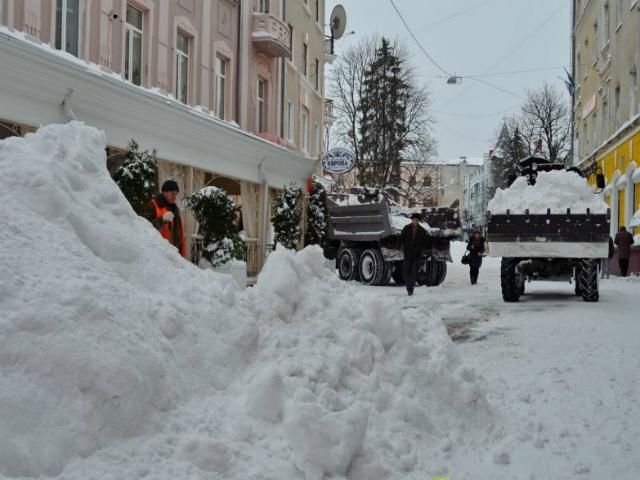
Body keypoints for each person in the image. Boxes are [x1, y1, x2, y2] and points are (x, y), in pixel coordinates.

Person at [144, 180, 186, 257]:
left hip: (174, 254)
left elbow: (178, 233)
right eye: (172, 193)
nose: (175, 197)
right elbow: (144, 227)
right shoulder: (153, 204)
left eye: (176, 194)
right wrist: (162, 220)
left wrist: (180, 254)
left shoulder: (175, 208)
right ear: (164, 192)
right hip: (159, 254)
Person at [400, 213, 428, 296]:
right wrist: (398, 247)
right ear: (412, 220)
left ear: (419, 221)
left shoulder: (422, 230)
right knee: (406, 272)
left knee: (413, 272)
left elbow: (425, 242)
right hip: (407, 254)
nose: (415, 221)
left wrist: (422, 250)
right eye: (414, 219)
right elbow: (401, 238)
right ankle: (408, 286)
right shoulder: (406, 228)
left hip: (417, 255)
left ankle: (410, 289)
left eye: (417, 220)